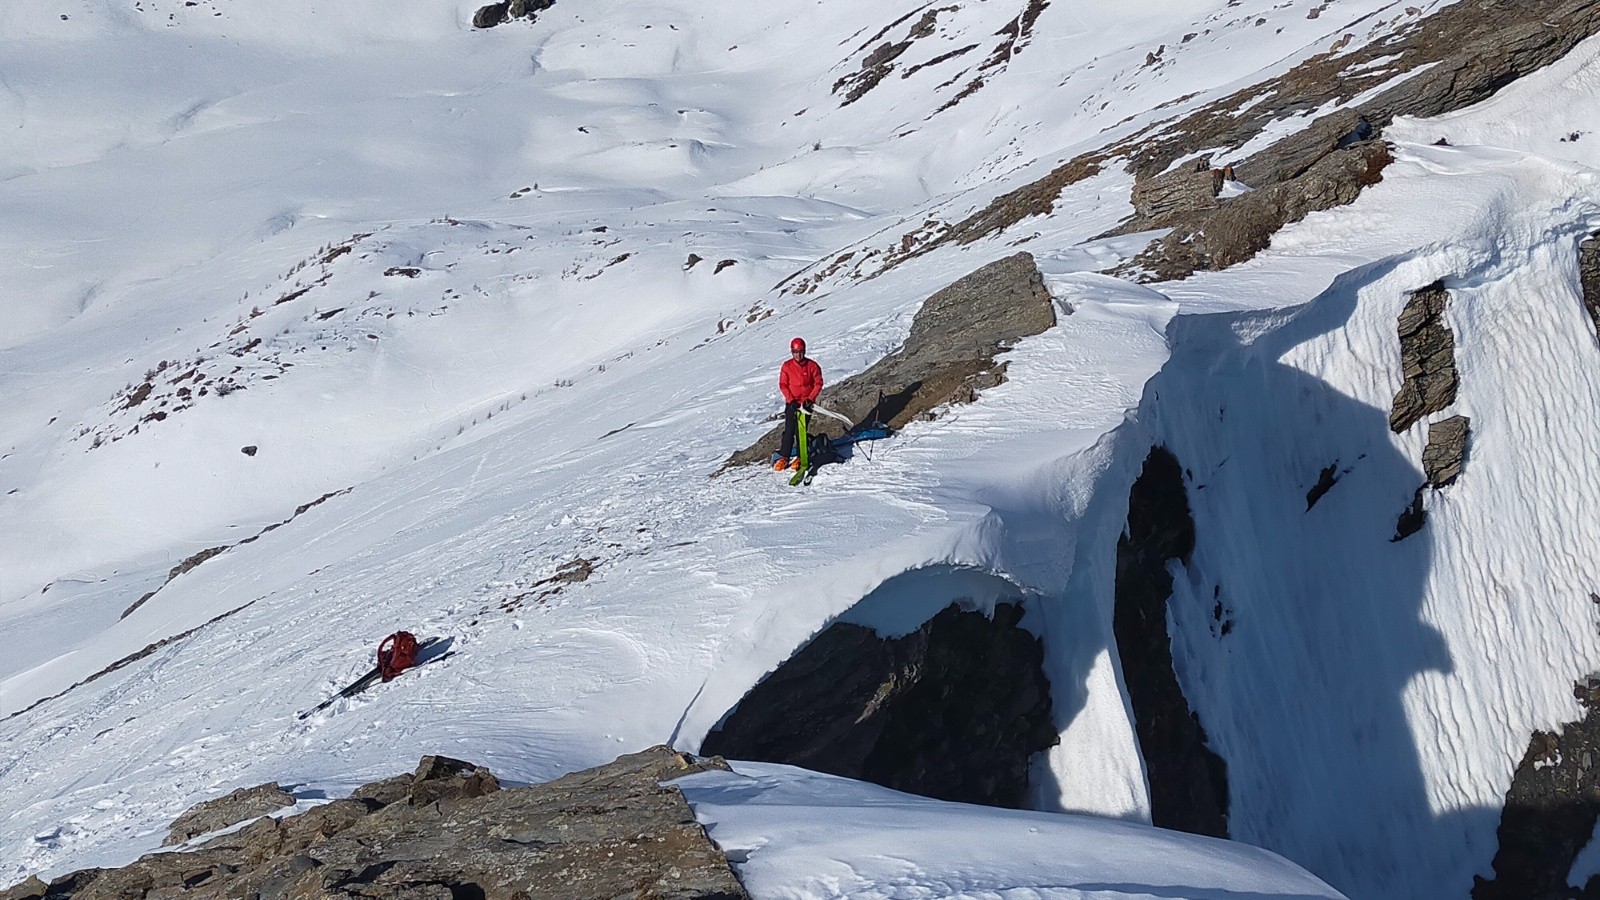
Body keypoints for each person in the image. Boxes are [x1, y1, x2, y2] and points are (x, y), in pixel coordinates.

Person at [775, 337, 823, 470]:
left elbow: (818, 383)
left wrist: (810, 399)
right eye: (795, 352)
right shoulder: (787, 366)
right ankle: (784, 457)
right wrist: (791, 400)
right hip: (792, 403)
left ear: (804, 351)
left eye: (800, 351)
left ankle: (801, 456)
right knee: (789, 430)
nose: (798, 355)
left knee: (800, 431)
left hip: (806, 404)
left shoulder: (812, 366)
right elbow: (783, 384)